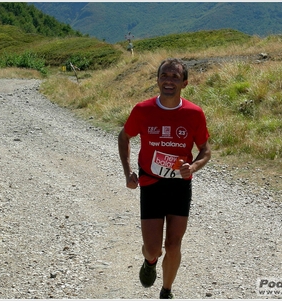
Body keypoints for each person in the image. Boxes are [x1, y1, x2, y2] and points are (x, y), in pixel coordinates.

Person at [118, 58, 211, 299]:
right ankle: (149, 262)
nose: (169, 81)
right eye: (164, 76)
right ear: (158, 80)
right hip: (151, 183)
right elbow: (124, 136)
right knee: (153, 248)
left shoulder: (194, 113)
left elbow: (205, 149)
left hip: (179, 185)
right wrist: (128, 171)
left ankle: (166, 291)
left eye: (175, 77)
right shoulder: (143, 110)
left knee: (173, 244)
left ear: (185, 83)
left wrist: (195, 166)